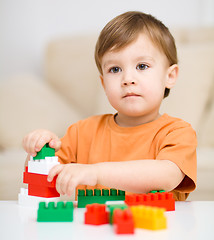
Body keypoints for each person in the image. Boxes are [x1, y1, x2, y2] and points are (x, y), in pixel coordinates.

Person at [23, 11, 197, 201]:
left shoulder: (178, 132)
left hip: (158, 230)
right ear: (104, 84)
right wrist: (38, 150)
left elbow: (167, 175)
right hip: (93, 229)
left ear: (169, 76)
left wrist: (96, 173)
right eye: (115, 69)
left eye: (142, 66)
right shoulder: (82, 132)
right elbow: (42, 180)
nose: (128, 79)